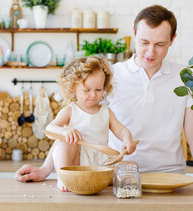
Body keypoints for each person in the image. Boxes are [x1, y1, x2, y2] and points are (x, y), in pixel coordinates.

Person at [15, 5, 193, 188]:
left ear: (172, 39)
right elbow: (74, 126)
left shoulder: (186, 78)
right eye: (144, 43)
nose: (150, 52)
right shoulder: (109, 76)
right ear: (133, 34)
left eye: (160, 44)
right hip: (116, 177)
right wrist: (45, 169)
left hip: (169, 178)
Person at [44, 56, 136, 191]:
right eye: (87, 90)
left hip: (101, 165)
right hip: (76, 166)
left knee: (133, 167)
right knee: (64, 142)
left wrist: (127, 139)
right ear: (73, 88)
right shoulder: (70, 110)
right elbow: (50, 129)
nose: (93, 95)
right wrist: (64, 131)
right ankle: (63, 178)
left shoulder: (106, 112)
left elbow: (121, 130)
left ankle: (97, 179)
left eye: (98, 90)